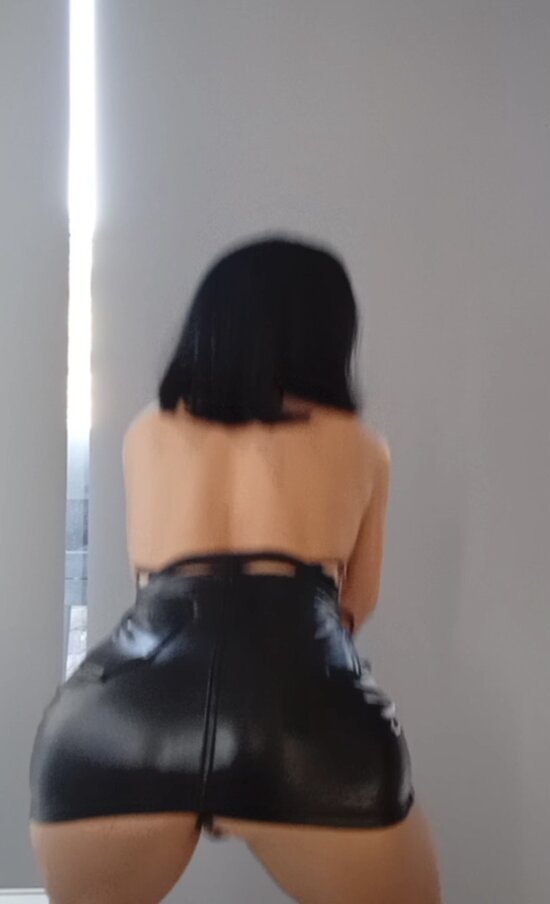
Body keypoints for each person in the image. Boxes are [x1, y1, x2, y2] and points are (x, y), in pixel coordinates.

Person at [29, 235, 442, 903]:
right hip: (297, 714)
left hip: (117, 719)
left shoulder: (146, 433)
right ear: (327, 334)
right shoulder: (361, 446)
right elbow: (353, 607)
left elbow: (146, 584)